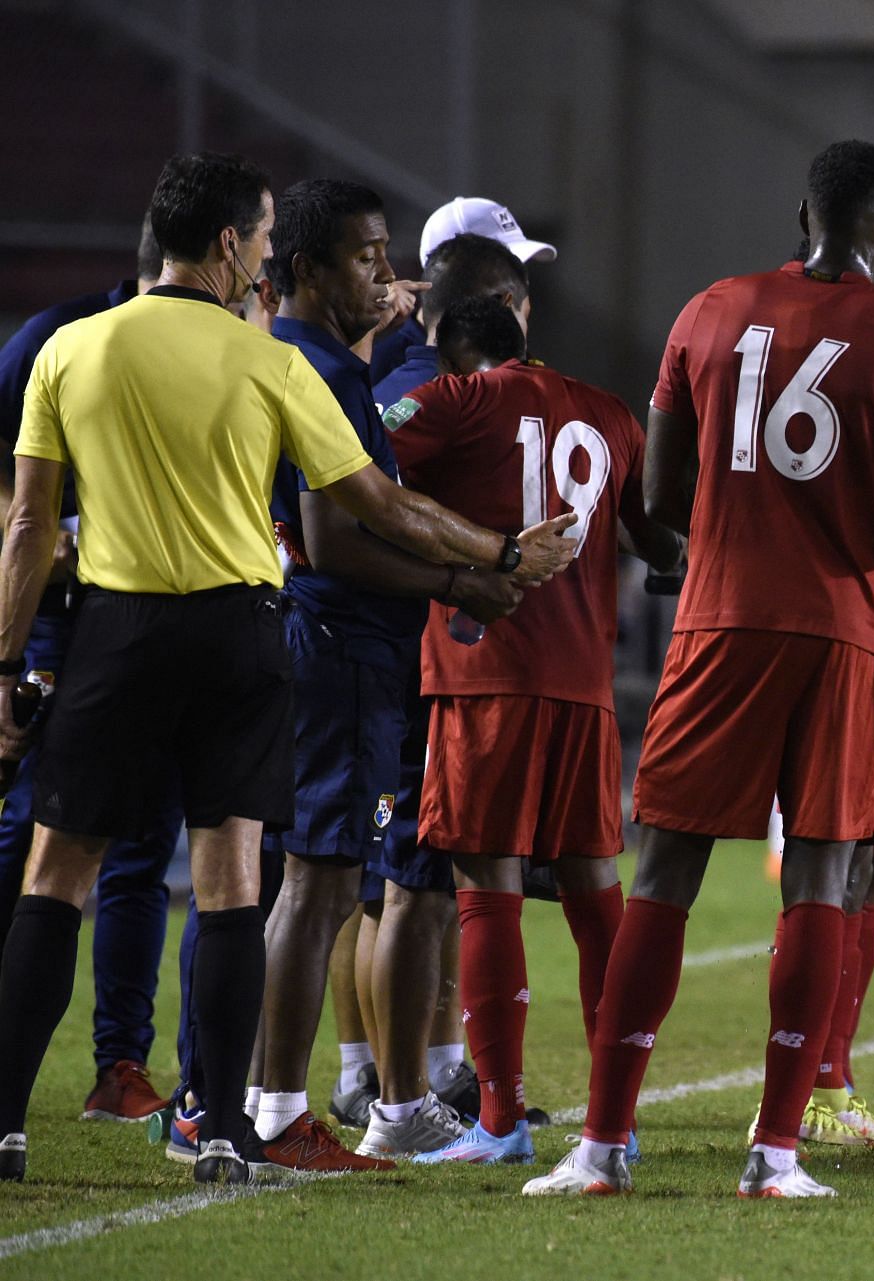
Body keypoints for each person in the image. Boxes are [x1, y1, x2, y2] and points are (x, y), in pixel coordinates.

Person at [0, 151, 578, 1187]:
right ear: (229, 244)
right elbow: (378, 508)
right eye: (261, 239)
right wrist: (496, 554)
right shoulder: (270, 364)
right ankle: (226, 1126)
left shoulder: (68, 351)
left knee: (58, 877)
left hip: (113, 634)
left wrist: (4, 667)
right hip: (237, 636)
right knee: (230, 883)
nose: (265, 259)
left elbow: (31, 527)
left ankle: (3, 1121)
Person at [522, 139, 874, 1199]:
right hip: (847, 633)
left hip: (722, 619)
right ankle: (773, 1153)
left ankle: (602, 1146)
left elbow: (663, 497)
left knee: (666, 872)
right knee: (819, 879)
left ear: (803, 209)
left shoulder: (710, 309)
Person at [245, 179, 526, 1171]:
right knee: (321, 886)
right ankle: (278, 1110)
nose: (386, 275)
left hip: (306, 644)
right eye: (367, 256)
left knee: (303, 882)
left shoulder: (296, 356)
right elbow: (339, 538)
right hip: (342, 650)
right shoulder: (322, 368)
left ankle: (268, 1098)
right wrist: (476, 571)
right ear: (309, 271)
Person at [383, 296, 680, 1165]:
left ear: (453, 344)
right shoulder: (610, 413)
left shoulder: (454, 400)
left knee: (487, 884)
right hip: (584, 686)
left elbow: (357, 475)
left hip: (485, 675)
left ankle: (503, 1120)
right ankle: (610, 1122)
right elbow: (657, 536)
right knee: (595, 890)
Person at [0, 219, 185, 1125]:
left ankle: (119, 1064)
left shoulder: (212, 352)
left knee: (141, 843)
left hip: (140, 625)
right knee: (32, 835)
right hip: (58, 627)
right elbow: (9, 484)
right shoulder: (55, 339)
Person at [368, 195, 553, 385]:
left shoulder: (508, 359)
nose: (519, 295)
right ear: (452, 271)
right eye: (505, 274)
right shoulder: (384, 366)